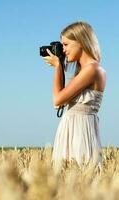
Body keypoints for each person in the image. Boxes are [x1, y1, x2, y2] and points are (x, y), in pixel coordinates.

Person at [43, 21, 106, 167]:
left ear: (81, 42)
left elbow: (57, 100)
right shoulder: (84, 71)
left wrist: (58, 66)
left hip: (80, 133)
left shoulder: (92, 70)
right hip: (73, 129)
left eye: (66, 44)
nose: (63, 50)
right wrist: (59, 67)